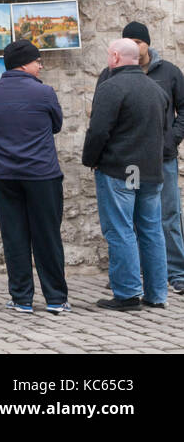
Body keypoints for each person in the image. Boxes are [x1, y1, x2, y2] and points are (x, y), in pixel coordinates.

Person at [0, 39, 68, 314]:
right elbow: (56, 125)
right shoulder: (44, 92)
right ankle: (56, 298)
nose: (40, 66)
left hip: (5, 174)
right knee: (47, 235)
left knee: (14, 236)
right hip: (41, 174)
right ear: (23, 64)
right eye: (37, 61)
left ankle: (21, 298)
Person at [84, 37, 171, 310]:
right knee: (151, 230)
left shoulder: (111, 87)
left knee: (121, 230)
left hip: (120, 169)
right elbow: (163, 132)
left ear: (115, 58)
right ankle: (157, 294)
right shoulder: (157, 90)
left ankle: (127, 294)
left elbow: (98, 131)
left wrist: (90, 160)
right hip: (150, 172)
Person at [106, 22, 184, 294]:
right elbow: (103, 113)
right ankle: (131, 272)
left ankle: (177, 272)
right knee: (128, 218)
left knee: (168, 215)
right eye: (129, 41)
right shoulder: (111, 73)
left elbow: (183, 109)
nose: (135, 45)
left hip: (162, 159)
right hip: (128, 162)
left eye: (139, 41)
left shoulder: (169, 72)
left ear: (148, 44)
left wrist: (171, 139)